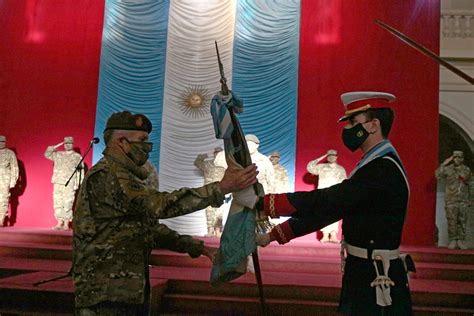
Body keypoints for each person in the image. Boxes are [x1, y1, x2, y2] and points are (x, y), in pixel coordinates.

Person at [72, 111, 257, 315]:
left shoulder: (123, 174)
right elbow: (159, 205)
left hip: (123, 291)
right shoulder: (107, 175)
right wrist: (220, 188)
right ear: (121, 142)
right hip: (104, 294)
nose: (147, 147)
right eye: (141, 140)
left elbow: (147, 228)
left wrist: (200, 248)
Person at [251, 92, 413, 315]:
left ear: (374, 125)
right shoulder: (374, 164)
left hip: (375, 276)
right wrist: (273, 235)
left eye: (354, 122)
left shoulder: (381, 169)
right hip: (364, 271)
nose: (348, 130)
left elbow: (328, 200)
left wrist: (264, 203)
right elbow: (331, 212)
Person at [307, 149, 347, 242]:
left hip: (335, 194)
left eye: (333, 155)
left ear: (337, 157)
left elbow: (345, 182)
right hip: (323, 194)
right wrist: (321, 157)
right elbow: (310, 167)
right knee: (323, 214)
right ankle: (325, 235)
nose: (331, 157)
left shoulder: (340, 169)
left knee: (335, 214)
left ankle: (333, 235)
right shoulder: (321, 167)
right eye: (329, 156)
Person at [45, 136, 83, 230]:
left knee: (68, 202)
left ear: (73, 144)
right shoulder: (58, 154)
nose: (68, 145)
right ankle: (59, 222)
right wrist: (55, 146)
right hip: (58, 181)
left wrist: (78, 183)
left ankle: (66, 223)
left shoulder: (77, 156)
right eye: (66, 143)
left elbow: (80, 171)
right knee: (57, 202)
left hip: (69, 182)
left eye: (70, 143)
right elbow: (47, 154)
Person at [436, 150, 471, 249]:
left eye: (459, 157)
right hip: (451, 199)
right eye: (455, 157)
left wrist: (471, 199)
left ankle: (460, 240)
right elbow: (437, 175)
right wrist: (444, 163)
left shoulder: (466, 170)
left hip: (463, 199)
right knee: (452, 221)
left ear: (462, 159)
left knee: (462, 221)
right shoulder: (448, 169)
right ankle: (452, 240)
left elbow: (471, 184)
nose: (457, 159)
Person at [194, 147, 227, 236]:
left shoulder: (225, 165)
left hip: (220, 190)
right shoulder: (208, 164)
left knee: (219, 212)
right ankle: (211, 230)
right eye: (216, 153)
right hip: (210, 191)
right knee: (210, 211)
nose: (217, 155)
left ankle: (217, 230)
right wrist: (204, 155)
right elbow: (197, 162)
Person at [0, 135, 19, 227]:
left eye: (3, 142)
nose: (1, 143)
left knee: (3, 200)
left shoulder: (10, 153)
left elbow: (15, 168)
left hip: (4, 180)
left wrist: (13, 181)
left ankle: (1, 220)